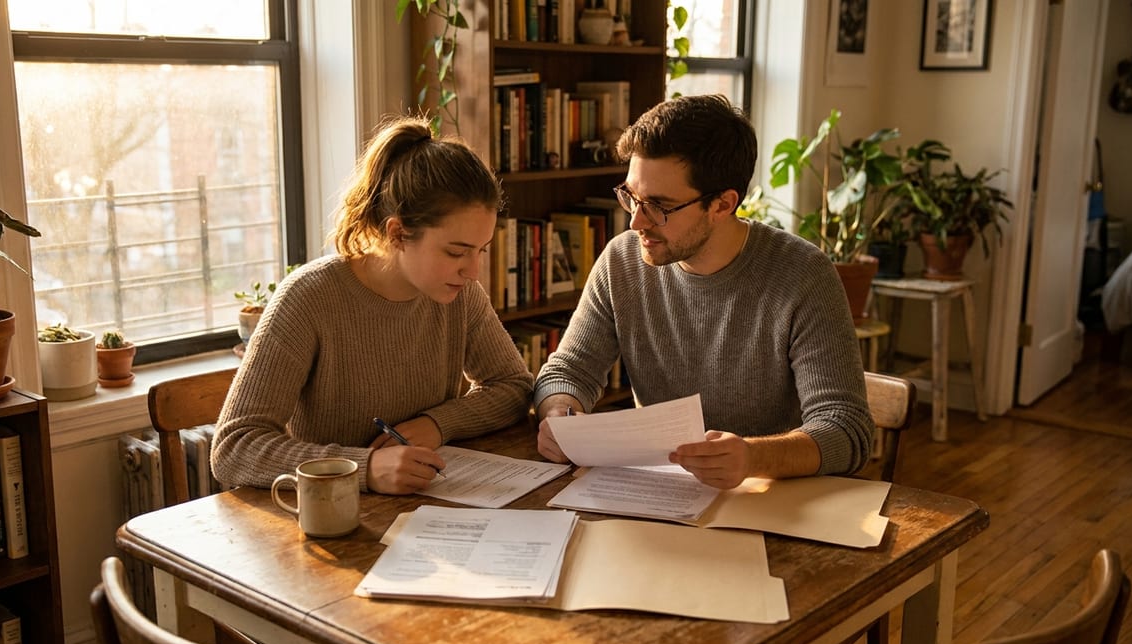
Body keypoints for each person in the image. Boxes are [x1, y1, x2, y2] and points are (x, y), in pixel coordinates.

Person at [533, 94, 873, 489]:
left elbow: (847, 429)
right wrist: (560, 414)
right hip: (661, 496)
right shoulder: (621, 262)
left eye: (658, 205)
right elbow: (566, 371)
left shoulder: (802, 275)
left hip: (772, 501)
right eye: (631, 197)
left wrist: (752, 457)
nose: (636, 222)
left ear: (722, 204)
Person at [212, 115, 533, 495]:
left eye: (481, 250)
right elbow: (233, 447)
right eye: (456, 252)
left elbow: (514, 388)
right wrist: (363, 469)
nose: (473, 271)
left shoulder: (459, 294)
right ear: (397, 233)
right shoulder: (308, 298)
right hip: (332, 523)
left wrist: (436, 424)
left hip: (424, 510)